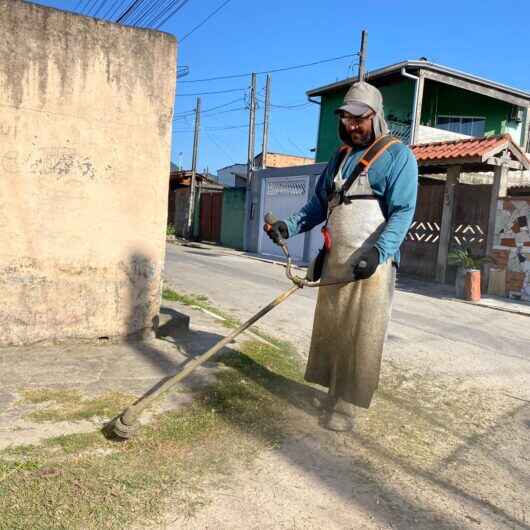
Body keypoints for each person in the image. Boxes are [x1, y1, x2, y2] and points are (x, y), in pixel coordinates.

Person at [264, 81, 418, 431]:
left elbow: (403, 212)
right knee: (333, 329)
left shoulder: (398, 157)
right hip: (335, 262)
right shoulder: (340, 156)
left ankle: (346, 406)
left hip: (370, 266)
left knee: (361, 335)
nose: (351, 125)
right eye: (347, 118)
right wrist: (288, 226)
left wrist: (379, 253)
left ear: (376, 117)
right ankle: (332, 391)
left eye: (359, 119)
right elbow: (320, 204)